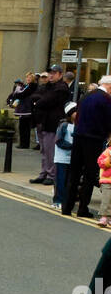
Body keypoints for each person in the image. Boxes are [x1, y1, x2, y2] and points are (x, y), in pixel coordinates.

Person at [62, 76, 111, 218]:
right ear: (109, 86)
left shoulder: (85, 96)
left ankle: (67, 207)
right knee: (89, 175)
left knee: (74, 172)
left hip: (78, 137)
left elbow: (77, 116)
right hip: (94, 139)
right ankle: (82, 209)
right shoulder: (106, 100)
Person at [31, 65, 70, 185]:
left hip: (52, 124)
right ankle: (44, 173)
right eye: (50, 73)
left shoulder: (61, 88)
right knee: (44, 150)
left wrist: (38, 101)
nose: (51, 75)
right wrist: (38, 100)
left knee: (50, 151)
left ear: (60, 74)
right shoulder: (48, 86)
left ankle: (52, 175)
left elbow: (47, 101)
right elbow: (34, 96)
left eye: (54, 73)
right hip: (42, 122)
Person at [53, 101, 77, 210]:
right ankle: (57, 200)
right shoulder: (64, 125)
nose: (77, 113)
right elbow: (59, 141)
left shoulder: (78, 125)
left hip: (72, 158)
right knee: (60, 180)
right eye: (75, 111)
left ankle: (66, 200)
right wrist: (73, 146)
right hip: (61, 158)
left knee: (69, 182)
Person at [7, 72, 37, 149]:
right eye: (27, 77)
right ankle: (23, 143)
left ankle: (24, 144)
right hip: (24, 109)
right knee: (22, 127)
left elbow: (22, 94)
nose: (28, 79)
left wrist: (17, 93)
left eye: (30, 78)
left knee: (24, 127)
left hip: (27, 109)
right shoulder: (27, 86)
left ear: (33, 79)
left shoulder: (32, 86)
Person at [98, 134, 111, 229]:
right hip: (107, 180)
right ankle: (104, 217)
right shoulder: (108, 151)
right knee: (106, 199)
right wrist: (108, 160)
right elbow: (100, 162)